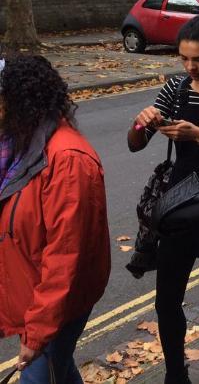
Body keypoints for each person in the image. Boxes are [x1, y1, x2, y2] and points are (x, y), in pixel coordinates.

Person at [128, 12, 199, 384]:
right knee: (167, 301)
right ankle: (175, 374)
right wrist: (142, 122)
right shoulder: (176, 89)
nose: (190, 67)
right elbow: (135, 144)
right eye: (184, 58)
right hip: (180, 205)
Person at [0, 56, 110, 384]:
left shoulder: (68, 161)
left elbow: (65, 258)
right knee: (58, 371)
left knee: (40, 376)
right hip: (34, 292)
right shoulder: (18, 145)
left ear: (20, 101)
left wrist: (36, 335)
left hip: (56, 305)